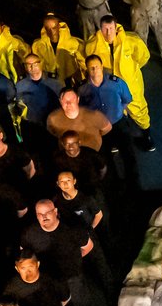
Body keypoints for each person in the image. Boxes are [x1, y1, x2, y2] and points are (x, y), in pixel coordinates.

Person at [20, 199, 112, 306]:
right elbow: (24, 254)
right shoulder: (30, 234)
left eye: (48, 213)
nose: (44, 217)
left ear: (55, 212)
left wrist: (74, 260)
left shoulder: (72, 229)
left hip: (72, 278)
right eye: (40, 214)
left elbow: (88, 246)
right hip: (49, 282)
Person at [82, 16, 154, 152]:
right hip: (108, 87)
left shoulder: (132, 41)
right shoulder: (93, 45)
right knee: (110, 113)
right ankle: (115, 140)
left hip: (131, 85)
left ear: (116, 27)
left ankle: (147, 136)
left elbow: (143, 57)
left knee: (140, 111)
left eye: (111, 29)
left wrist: (131, 73)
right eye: (105, 29)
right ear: (100, 28)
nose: (108, 33)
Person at [78, 54, 138, 182]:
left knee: (128, 154)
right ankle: (114, 182)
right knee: (106, 157)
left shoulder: (115, 82)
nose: (95, 70)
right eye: (91, 68)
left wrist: (118, 110)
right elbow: (82, 109)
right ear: (87, 69)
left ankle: (133, 182)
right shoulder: (82, 89)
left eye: (97, 67)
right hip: (99, 130)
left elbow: (127, 98)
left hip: (118, 124)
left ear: (102, 67)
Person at [15, 53, 63, 154]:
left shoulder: (55, 82)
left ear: (41, 64)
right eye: (29, 65)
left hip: (52, 125)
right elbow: (18, 106)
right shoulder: (20, 85)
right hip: (32, 127)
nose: (33, 67)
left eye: (35, 64)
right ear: (25, 67)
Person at [0, 122, 36, 194]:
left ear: (1, 135)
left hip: (19, 190)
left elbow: (30, 169)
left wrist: (25, 184)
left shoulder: (16, 151)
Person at [47, 88, 112, 152]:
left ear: (78, 99)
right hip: (68, 156)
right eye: (64, 100)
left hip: (92, 154)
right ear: (60, 101)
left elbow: (107, 128)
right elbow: (53, 132)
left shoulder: (94, 115)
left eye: (72, 99)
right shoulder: (53, 118)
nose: (69, 103)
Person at [29, 14, 84, 84]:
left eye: (54, 28)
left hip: (70, 80)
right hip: (49, 81)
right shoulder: (38, 46)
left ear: (59, 26)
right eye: (48, 29)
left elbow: (82, 63)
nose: (52, 32)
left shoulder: (73, 43)